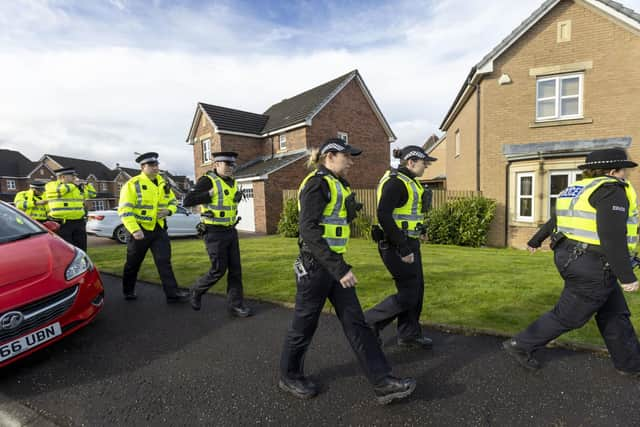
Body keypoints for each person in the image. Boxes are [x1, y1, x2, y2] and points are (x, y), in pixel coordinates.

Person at [279, 138, 416, 405]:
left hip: (333, 266)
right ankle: (289, 375)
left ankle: (382, 382)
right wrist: (339, 268)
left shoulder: (337, 184)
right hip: (317, 267)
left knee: (358, 324)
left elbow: (332, 222)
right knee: (304, 325)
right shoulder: (317, 184)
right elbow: (308, 231)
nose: (351, 162)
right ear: (330, 156)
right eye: (347, 157)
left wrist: (349, 213)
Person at [503, 148, 640, 377]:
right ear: (614, 170)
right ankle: (521, 344)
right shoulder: (611, 190)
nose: (626, 175)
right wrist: (627, 276)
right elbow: (611, 235)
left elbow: (555, 219)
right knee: (569, 315)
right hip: (593, 265)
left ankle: (629, 362)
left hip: (573, 257)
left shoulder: (577, 188)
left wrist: (536, 240)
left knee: (615, 313)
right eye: (624, 170)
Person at [364, 145, 436, 349]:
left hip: (408, 242)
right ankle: (369, 322)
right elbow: (384, 215)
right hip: (396, 245)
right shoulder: (396, 183)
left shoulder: (410, 182)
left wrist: (419, 229)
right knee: (409, 293)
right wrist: (403, 248)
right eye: (424, 163)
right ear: (411, 162)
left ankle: (409, 334)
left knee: (417, 289)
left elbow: (407, 214)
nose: (426, 167)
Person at [182, 151, 252, 317]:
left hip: (230, 230)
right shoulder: (208, 180)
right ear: (217, 164)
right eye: (227, 164)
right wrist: (209, 194)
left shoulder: (232, 182)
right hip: (214, 232)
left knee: (236, 270)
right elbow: (187, 201)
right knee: (218, 269)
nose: (230, 167)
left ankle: (236, 305)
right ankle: (196, 291)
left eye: (232, 164)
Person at [118, 152, 189, 303]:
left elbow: (173, 203)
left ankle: (172, 294)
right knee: (133, 263)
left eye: (156, 165)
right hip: (140, 230)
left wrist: (169, 211)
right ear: (143, 167)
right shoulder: (132, 184)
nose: (156, 168)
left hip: (159, 229)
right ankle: (128, 291)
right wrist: (134, 229)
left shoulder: (164, 184)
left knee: (164, 262)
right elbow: (125, 210)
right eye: (152, 165)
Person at [44, 167, 88, 250]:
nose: (74, 178)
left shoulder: (75, 187)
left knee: (82, 248)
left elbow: (90, 194)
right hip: (63, 224)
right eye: (72, 176)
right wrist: (75, 185)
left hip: (79, 222)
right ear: (62, 177)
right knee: (67, 249)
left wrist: (85, 185)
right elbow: (62, 190)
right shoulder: (51, 185)